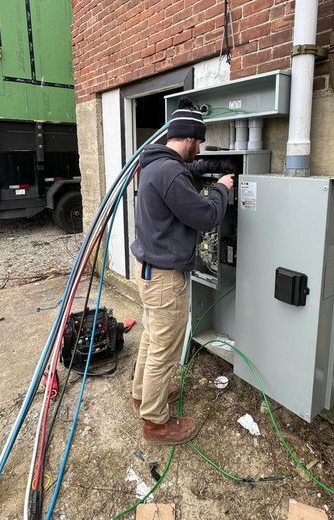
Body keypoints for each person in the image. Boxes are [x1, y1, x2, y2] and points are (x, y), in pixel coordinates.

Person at [130, 98, 234, 446]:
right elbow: (206, 216)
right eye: (199, 142)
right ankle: (156, 423)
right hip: (164, 278)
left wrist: (204, 167)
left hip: (147, 270)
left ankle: (143, 395)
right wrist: (222, 188)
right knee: (165, 348)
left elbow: (181, 177)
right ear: (189, 137)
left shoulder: (155, 165)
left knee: (152, 337)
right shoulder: (171, 173)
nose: (200, 148)